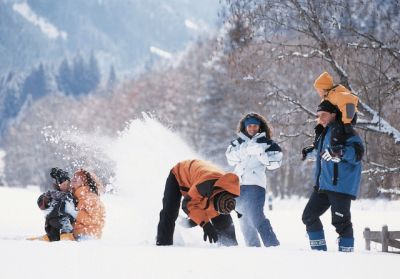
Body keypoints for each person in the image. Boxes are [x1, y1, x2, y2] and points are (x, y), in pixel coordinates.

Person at [301, 100, 364, 252]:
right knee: (309, 216)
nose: (320, 118)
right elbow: (324, 152)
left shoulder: (346, 132)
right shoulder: (325, 132)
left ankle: (346, 256)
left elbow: (357, 153)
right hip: (323, 186)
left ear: (334, 115)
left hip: (340, 186)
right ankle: (319, 253)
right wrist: (311, 152)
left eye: (323, 114)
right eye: (318, 115)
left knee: (341, 223)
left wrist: (340, 152)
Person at [225, 112, 282, 247]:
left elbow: (275, 163)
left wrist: (261, 153)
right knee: (243, 218)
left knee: (256, 216)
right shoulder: (237, 142)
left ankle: (272, 244)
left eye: (255, 126)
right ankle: (253, 247)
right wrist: (245, 151)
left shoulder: (268, 143)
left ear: (260, 127)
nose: (252, 128)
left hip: (255, 185)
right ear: (244, 127)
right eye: (249, 126)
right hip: (238, 185)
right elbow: (230, 159)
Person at [156, 159, 240, 246]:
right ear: (215, 197)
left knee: (223, 221)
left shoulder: (227, 190)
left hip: (202, 183)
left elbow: (210, 211)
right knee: (170, 211)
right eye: (217, 208)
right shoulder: (204, 186)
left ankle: (228, 248)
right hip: (179, 176)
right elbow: (188, 205)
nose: (217, 211)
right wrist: (206, 225)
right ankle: (163, 244)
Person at [313, 71, 359, 157]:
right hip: (340, 117)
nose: (318, 93)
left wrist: (347, 122)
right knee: (320, 128)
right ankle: (316, 147)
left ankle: (337, 150)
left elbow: (349, 103)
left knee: (335, 128)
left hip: (349, 116)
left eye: (318, 90)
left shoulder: (335, 94)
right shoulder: (327, 98)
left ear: (323, 89)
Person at [35, 168, 77, 242]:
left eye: (67, 183)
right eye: (61, 183)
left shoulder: (70, 193)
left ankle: (65, 234)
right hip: (56, 218)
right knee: (52, 222)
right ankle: (52, 236)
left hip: (69, 218)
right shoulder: (55, 193)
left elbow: (67, 196)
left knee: (62, 220)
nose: (65, 185)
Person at [69, 169, 106, 240]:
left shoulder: (90, 197)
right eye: (74, 176)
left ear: (85, 182)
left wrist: (74, 213)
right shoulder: (75, 196)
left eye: (79, 176)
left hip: (87, 235)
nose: (74, 177)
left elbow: (96, 219)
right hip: (76, 235)